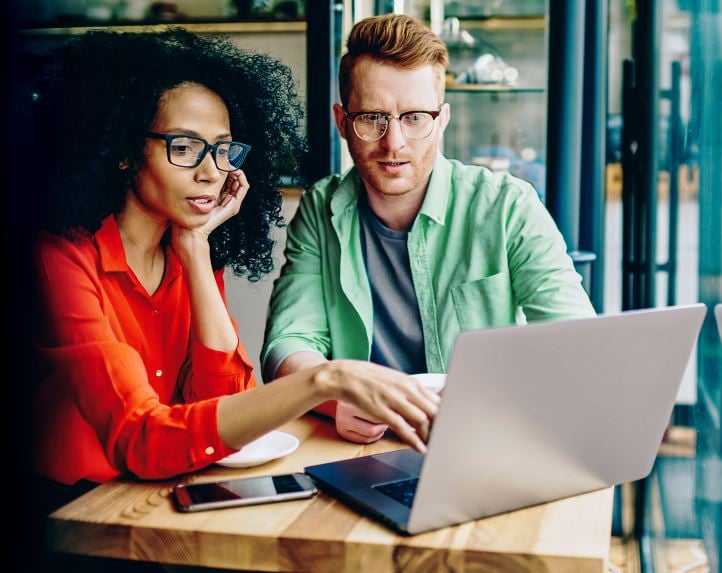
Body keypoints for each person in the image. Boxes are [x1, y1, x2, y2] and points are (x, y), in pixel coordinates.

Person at [30, 29, 440, 494]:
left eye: (222, 149)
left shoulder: (190, 254)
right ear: (124, 151)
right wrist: (327, 379)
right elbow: (141, 437)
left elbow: (227, 410)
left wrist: (197, 253)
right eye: (183, 147)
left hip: (161, 495)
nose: (211, 171)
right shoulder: (59, 262)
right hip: (72, 511)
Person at [262, 14, 595, 445]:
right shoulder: (321, 208)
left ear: (442, 120)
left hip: (483, 437)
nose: (394, 142)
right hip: (359, 448)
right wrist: (335, 399)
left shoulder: (508, 204)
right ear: (342, 122)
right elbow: (288, 343)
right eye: (372, 118)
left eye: (415, 117)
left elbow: (576, 342)